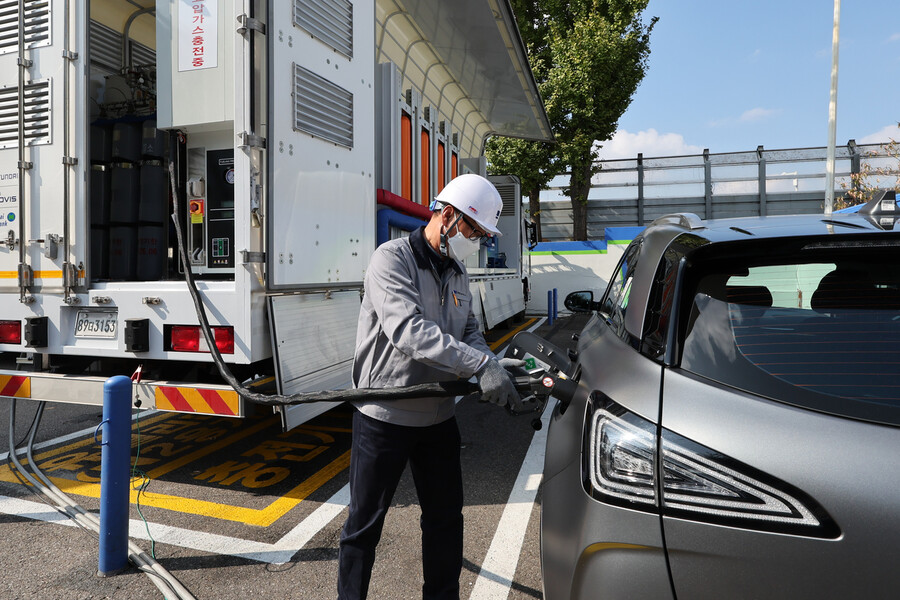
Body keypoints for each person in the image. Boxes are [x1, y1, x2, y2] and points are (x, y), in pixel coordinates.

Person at [337, 174, 525, 600]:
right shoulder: (391, 259)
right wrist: (479, 364)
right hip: (384, 413)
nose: (477, 242)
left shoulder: (457, 272)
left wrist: (491, 365)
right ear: (448, 216)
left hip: (438, 414)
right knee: (363, 526)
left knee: (444, 520)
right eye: (474, 231)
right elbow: (409, 332)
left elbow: (470, 329)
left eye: (481, 235)